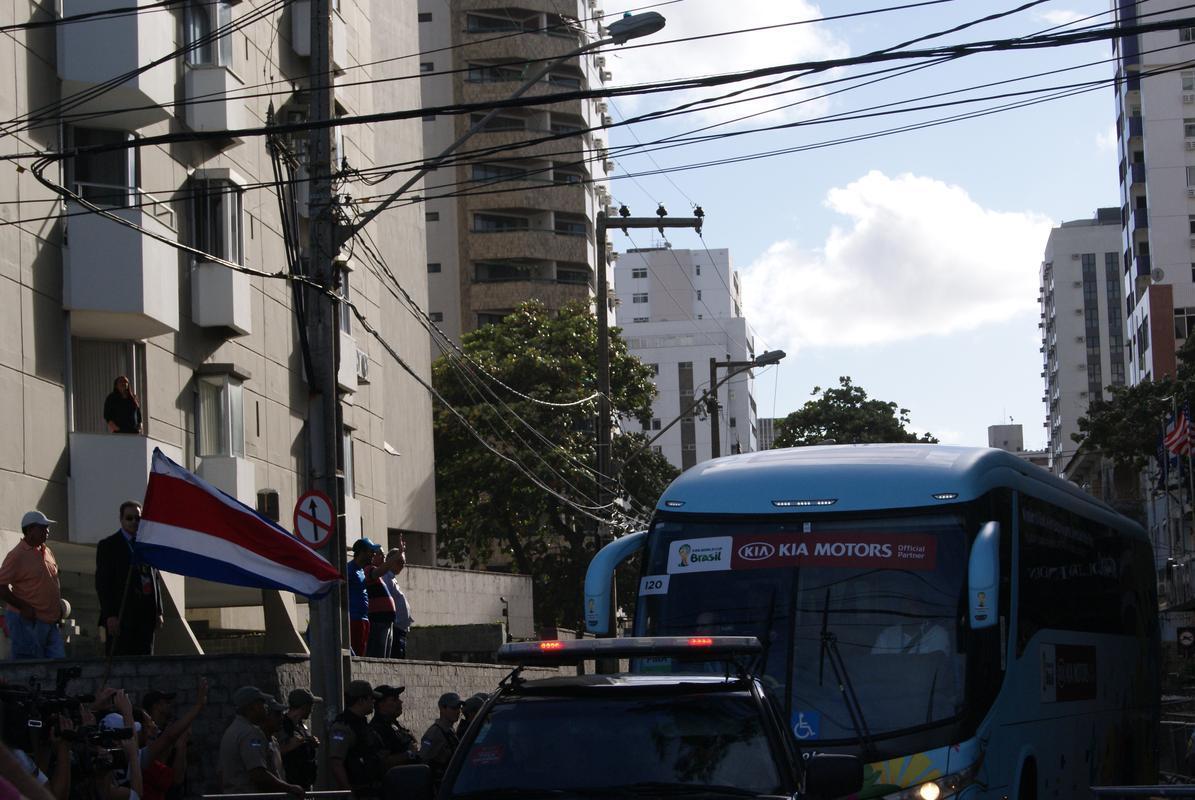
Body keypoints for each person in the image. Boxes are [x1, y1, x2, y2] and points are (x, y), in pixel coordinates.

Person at [95, 501, 162, 656]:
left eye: (137, 518)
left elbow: (155, 578)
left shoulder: (145, 545)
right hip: (121, 615)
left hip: (145, 616)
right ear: (121, 519)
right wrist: (110, 615)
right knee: (121, 660)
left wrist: (158, 610)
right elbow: (103, 583)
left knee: (145, 660)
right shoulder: (108, 545)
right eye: (129, 518)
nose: (134, 522)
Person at [218, 686, 304, 798]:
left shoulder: (233, 730)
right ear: (252, 707)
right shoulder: (250, 733)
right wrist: (290, 788)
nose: (266, 707)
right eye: (262, 703)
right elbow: (258, 773)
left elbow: (221, 773)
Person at [0, 511, 63, 660]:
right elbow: (1, 586)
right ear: (29, 530)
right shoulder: (17, 555)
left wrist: (57, 606)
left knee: (58, 666)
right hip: (27, 621)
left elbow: (53, 579)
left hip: (50, 620)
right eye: (42, 527)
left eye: (47, 527)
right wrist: (23, 607)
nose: (47, 531)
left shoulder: (46, 550)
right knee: (31, 669)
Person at [328, 680, 386, 797]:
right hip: (359, 791)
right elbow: (336, 763)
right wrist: (349, 793)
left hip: (372, 790)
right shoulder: (343, 727)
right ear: (361, 700)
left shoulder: (362, 724)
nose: (373, 701)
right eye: (371, 698)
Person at [279, 689, 321, 791]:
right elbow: (272, 752)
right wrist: (288, 747)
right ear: (305, 706)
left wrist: (312, 744)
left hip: (305, 785)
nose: (311, 710)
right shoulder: (282, 726)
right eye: (311, 706)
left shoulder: (301, 726)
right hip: (291, 787)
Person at [369, 685, 419, 769]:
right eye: (394, 699)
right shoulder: (378, 729)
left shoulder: (394, 724)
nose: (400, 702)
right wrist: (409, 754)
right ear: (381, 704)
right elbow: (382, 762)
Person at [419, 692, 462, 786]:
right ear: (442, 709)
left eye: (459, 708)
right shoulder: (435, 733)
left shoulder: (449, 730)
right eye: (454, 708)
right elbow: (423, 759)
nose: (458, 711)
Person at [347, 539, 380, 656]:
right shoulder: (349, 570)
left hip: (363, 619)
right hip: (354, 619)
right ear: (362, 552)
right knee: (355, 655)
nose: (374, 554)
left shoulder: (361, 571)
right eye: (371, 551)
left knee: (361, 655)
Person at [382, 548, 413, 659]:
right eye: (400, 562)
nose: (402, 565)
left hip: (400, 629)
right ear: (390, 561)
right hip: (395, 628)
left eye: (404, 562)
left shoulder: (391, 578)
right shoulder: (386, 577)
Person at [364, 549, 395, 658]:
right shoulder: (369, 569)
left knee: (384, 655)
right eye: (380, 554)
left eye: (383, 554)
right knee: (378, 653)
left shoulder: (378, 574)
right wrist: (397, 555)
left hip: (385, 620)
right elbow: (381, 570)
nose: (383, 557)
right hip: (378, 620)